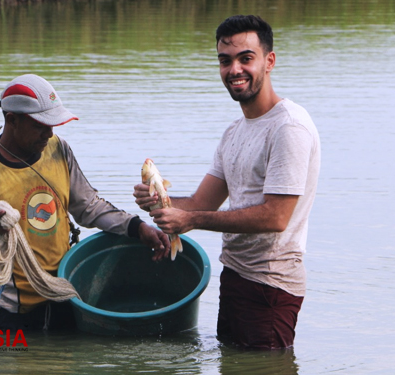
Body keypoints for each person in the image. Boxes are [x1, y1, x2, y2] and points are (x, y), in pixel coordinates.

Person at [134, 15, 321, 349]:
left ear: (269, 61)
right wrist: (161, 202)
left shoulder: (289, 127)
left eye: (245, 58)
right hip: (235, 275)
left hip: (271, 286)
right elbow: (200, 204)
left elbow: (276, 217)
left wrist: (189, 220)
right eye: (225, 60)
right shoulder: (235, 131)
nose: (234, 69)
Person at [0, 74, 170, 331]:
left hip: (64, 297)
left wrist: (137, 227)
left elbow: (88, 206)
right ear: (12, 120)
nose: (49, 133)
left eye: (52, 124)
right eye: (40, 125)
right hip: (9, 312)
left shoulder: (58, 149)